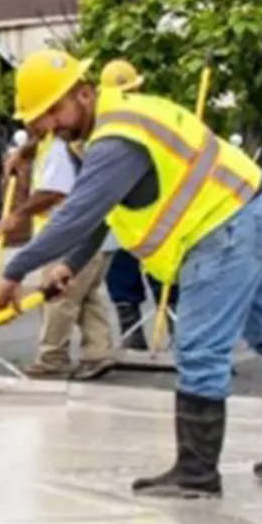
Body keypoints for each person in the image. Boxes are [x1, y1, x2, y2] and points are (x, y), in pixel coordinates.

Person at [0, 49, 262, 498]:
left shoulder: (116, 138)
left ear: (84, 94)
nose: (48, 125)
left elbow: (79, 214)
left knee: (199, 348)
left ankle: (197, 474)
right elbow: (103, 213)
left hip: (225, 224)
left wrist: (13, 272)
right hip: (251, 205)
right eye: (39, 119)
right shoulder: (107, 128)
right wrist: (68, 265)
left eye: (54, 111)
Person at [0, 123, 117, 381]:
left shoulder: (58, 148)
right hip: (96, 238)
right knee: (85, 297)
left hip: (71, 241)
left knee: (58, 298)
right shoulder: (58, 141)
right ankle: (98, 352)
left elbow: (54, 191)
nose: (29, 124)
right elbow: (40, 141)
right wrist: (23, 154)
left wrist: (18, 215)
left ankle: (52, 358)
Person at [97, 59, 178, 350]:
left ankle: (179, 335)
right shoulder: (102, 130)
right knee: (121, 279)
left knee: (166, 279)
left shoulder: (153, 120)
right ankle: (133, 334)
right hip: (123, 221)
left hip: (157, 216)